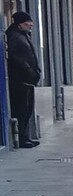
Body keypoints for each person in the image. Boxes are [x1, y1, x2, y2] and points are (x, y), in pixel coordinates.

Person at [5, 12, 40, 148]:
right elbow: (12, 55)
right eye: (27, 23)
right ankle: (21, 138)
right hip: (19, 80)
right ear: (19, 24)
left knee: (28, 109)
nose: (30, 25)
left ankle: (25, 136)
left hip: (28, 79)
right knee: (21, 109)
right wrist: (26, 67)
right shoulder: (13, 36)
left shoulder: (24, 35)